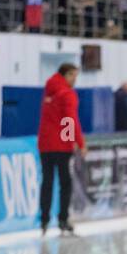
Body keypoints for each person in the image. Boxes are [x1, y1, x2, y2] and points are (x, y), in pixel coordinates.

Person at [37, 62, 85, 236]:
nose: (75, 80)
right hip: (61, 145)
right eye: (73, 75)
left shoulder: (48, 92)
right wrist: (78, 142)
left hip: (45, 144)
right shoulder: (67, 94)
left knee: (47, 181)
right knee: (65, 182)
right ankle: (63, 219)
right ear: (65, 75)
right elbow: (69, 119)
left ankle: (44, 220)